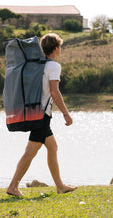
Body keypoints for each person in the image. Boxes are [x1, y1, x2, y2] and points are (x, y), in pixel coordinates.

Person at [6, 33, 77, 196]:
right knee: (30, 151)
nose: (61, 50)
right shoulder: (53, 66)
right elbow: (54, 91)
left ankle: (60, 186)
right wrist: (66, 113)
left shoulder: (38, 65)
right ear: (56, 47)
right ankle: (13, 186)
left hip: (37, 112)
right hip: (42, 115)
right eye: (60, 47)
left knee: (52, 147)